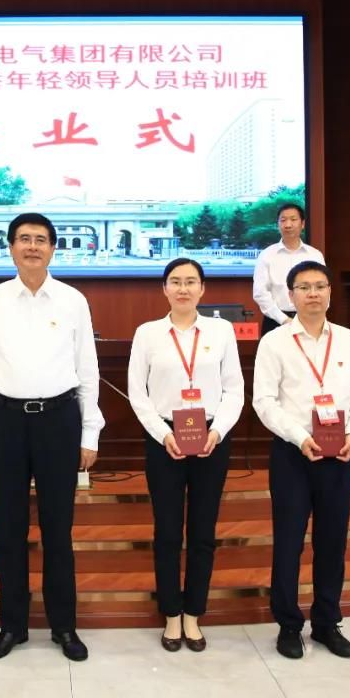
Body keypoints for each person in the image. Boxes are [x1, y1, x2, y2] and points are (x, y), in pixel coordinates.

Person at [0, 213, 104, 662]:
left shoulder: (72, 300)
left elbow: (88, 371)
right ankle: (13, 625)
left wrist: (90, 432)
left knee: (58, 531)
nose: (32, 246)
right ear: (10, 247)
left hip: (59, 421)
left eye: (40, 240)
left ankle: (64, 626)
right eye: (23, 239)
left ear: (52, 249)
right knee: (9, 531)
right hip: (4, 422)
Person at [252, 260, 350, 660]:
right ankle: (288, 624)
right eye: (304, 287)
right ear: (291, 295)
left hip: (340, 453)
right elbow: (264, 401)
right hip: (293, 453)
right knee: (288, 542)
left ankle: (326, 622)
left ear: (330, 293)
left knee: (332, 541)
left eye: (320, 286)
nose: (313, 294)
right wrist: (300, 436)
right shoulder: (275, 343)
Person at [127, 258, 244, 652]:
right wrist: (162, 434)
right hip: (164, 439)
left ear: (202, 288)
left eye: (190, 281)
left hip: (211, 438)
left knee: (203, 532)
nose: (183, 288)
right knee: (167, 532)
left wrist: (218, 431)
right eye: (175, 281)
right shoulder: (147, 333)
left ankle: (194, 614)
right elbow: (138, 393)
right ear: (164, 289)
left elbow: (234, 389)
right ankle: (171, 614)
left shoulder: (221, 331)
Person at [252, 203, 325, 336]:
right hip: (275, 321)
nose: (288, 225)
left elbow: (324, 288)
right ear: (278, 224)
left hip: (309, 320)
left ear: (302, 224)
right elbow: (260, 293)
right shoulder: (266, 255)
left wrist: (315, 315)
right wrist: (283, 319)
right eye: (283, 220)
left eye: (293, 219)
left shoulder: (315, 255)